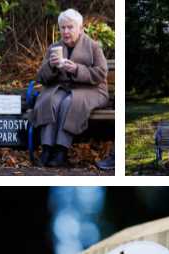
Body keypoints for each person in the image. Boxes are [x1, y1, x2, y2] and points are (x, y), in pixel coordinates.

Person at [29, 9, 109, 168]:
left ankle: (61, 150)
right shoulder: (55, 47)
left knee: (69, 102)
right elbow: (42, 78)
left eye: (70, 27)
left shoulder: (92, 46)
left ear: (80, 28)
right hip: (62, 88)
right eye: (62, 27)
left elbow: (101, 73)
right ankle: (46, 149)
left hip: (91, 89)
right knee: (49, 100)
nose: (66, 31)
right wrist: (51, 66)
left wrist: (77, 69)